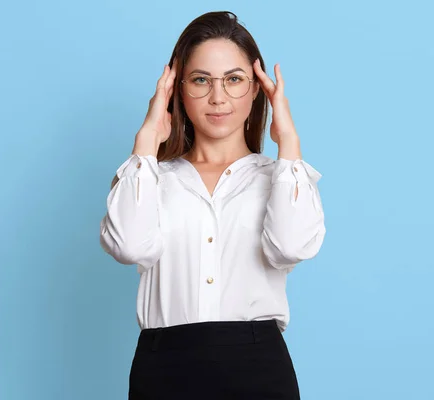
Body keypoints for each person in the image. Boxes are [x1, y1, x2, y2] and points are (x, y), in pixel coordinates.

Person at [100, 11, 326, 400]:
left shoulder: (281, 178)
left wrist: (288, 142)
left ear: (257, 89)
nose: (218, 97)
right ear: (177, 89)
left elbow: (290, 247)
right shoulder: (151, 177)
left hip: (258, 367)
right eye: (201, 80)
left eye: (234, 80)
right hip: (163, 368)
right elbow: (128, 247)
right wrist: (147, 141)